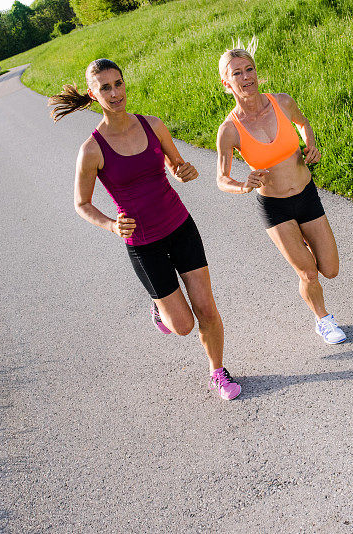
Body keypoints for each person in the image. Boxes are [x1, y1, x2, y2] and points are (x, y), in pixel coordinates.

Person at [49, 58, 241, 400]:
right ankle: (160, 307)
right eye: (105, 87)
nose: (114, 92)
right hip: (142, 242)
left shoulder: (152, 125)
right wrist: (110, 224)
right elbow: (82, 203)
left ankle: (217, 371)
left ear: (125, 84)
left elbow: (176, 165)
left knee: (206, 309)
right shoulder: (91, 149)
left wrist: (185, 170)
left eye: (118, 83)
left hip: (180, 226)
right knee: (182, 326)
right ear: (93, 95)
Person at [215, 41, 347, 344]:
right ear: (226, 83)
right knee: (309, 274)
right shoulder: (230, 130)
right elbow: (221, 179)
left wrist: (310, 145)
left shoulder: (282, 102)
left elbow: (303, 123)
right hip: (275, 208)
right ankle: (323, 320)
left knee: (330, 269)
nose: (247, 77)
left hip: (306, 195)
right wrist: (243, 184)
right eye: (237, 73)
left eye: (250, 69)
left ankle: (303, 245)